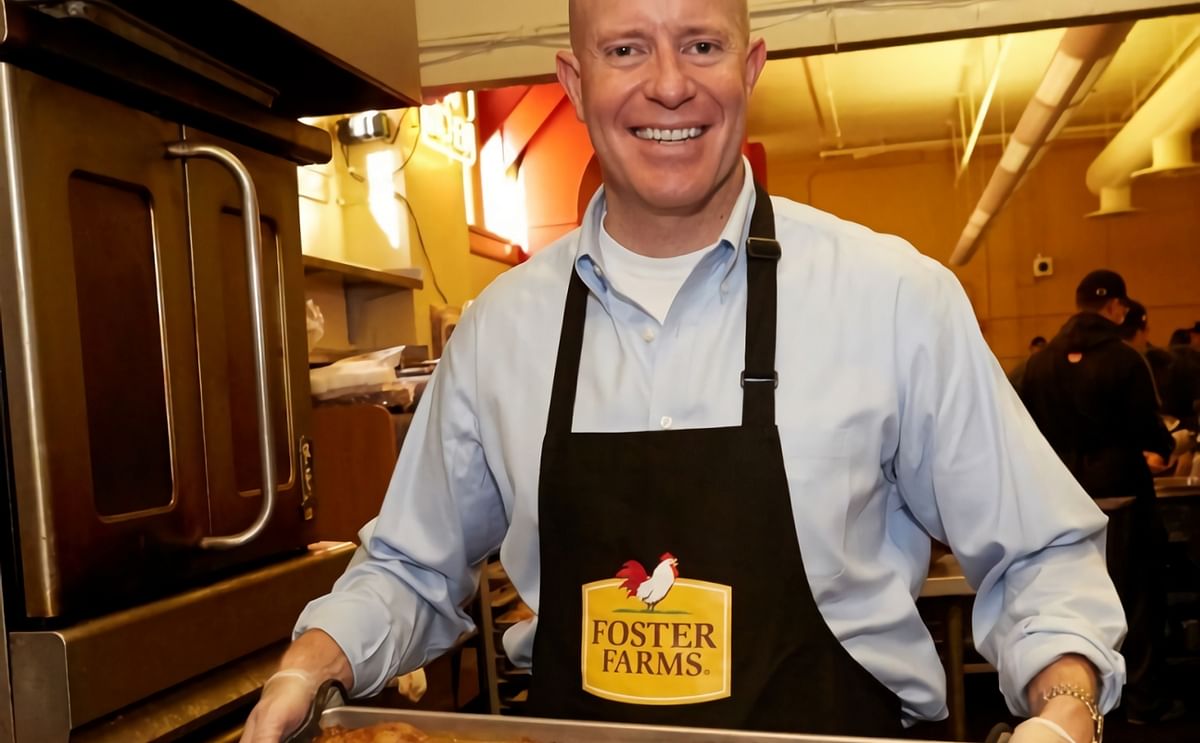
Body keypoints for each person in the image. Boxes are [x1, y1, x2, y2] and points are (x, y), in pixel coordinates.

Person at [242, 2, 1124, 741]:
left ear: (751, 66)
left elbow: (1042, 553)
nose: (669, 82)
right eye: (627, 49)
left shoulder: (895, 298)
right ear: (576, 82)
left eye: (702, 44)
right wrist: (311, 663)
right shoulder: (499, 333)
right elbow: (410, 566)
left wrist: (1066, 709)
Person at [1017, 271, 1180, 724]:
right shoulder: (1125, 359)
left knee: (1074, 601)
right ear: (1116, 308)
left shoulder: (1039, 362)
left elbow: (1018, 426)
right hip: (1124, 496)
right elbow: (1148, 427)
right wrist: (1165, 449)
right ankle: (1144, 703)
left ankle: (1079, 706)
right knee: (1138, 599)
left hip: (1064, 501)